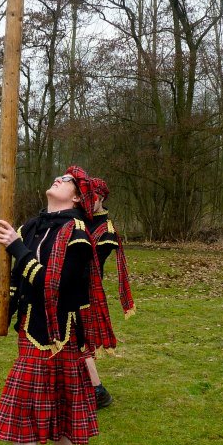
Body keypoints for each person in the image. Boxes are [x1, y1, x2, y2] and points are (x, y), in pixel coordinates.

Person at [0, 170, 115, 445]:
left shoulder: (78, 235)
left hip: (57, 335)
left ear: (77, 198)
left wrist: (16, 247)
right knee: (58, 402)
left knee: (22, 413)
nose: (58, 178)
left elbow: (53, 287)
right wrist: (2, 309)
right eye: (58, 175)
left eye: (67, 180)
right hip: (31, 329)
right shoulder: (33, 225)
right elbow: (17, 279)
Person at [78, 172, 135, 409]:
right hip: (71, 285)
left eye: (92, 197)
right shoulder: (78, 218)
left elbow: (87, 262)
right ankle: (88, 388)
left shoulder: (107, 231)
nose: (87, 201)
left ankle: (98, 390)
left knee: (78, 339)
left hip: (86, 290)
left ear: (101, 198)